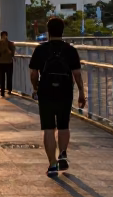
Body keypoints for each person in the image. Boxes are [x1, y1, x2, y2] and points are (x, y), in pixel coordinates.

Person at [29, 16, 86, 178]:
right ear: (62, 31)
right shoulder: (70, 50)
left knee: (48, 128)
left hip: (46, 90)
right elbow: (77, 74)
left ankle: (52, 164)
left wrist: (36, 87)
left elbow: (33, 73)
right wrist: (81, 92)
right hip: (65, 90)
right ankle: (62, 153)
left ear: (48, 31)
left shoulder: (40, 50)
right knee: (63, 125)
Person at [0, 31, 16, 97]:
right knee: (3, 77)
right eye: (3, 36)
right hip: (2, 62)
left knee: (8, 76)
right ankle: (3, 91)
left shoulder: (10, 44)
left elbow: (12, 53)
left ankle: (8, 89)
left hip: (8, 62)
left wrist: (6, 47)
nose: (4, 37)